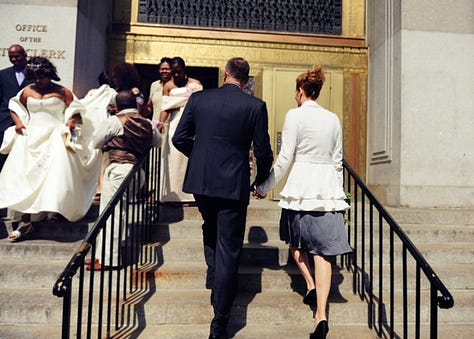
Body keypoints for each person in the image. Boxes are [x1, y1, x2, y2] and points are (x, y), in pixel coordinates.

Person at [172, 57, 274, 339]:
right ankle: (220, 321)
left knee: (210, 226)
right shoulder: (255, 106)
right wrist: (261, 179)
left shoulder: (199, 99)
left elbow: (179, 138)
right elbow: (263, 151)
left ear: (226, 74)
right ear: (246, 78)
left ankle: (215, 273)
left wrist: (202, 157)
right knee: (229, 248)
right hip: (232, 183)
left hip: (202, 182)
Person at [253, 66, 352, 339]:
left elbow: (285, 159)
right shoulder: (332, 119)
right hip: (326, 191)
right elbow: (337, 160)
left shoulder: (294, 115)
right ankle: (321, 313)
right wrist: (338, 193)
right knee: (323, 253)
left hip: (300, 189)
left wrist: (263, 187)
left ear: (300, 92)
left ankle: (309, 284)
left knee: (295, 243)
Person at [0, 56, 102, 241]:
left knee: (54, 176)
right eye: (34, 77)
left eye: (41, 77)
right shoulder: (26, 91)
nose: (38, 81)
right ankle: (26, 221)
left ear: (49, 75)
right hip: (31, 137)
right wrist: (18, 123)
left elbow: (78, 111)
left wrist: (71, 120)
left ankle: (54, 210)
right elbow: (14, 106)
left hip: (55, 136)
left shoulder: (63, 91)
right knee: (26, 178)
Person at [88, 90, 162, 270]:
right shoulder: (147, 123)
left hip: (119, 169)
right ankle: (101, 255)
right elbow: (157, 142)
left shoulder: (115, 121)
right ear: (136, 105)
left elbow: (95, 142)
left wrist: (109, 143)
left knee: (110, 213)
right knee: (118, 212)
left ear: (117, 106)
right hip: (137, 171)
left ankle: (109, 259)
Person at [160, 56, 203, 204]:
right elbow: (165, 107)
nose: (176, 75)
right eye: (174, 72)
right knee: (173, 161)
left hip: (192, 124)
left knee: (188, 159)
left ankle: (189, 195)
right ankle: (172, 196)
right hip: (174, 124)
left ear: (184, 70)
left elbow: (199, 104)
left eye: (179, 72)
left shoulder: (195, 84)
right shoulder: (168, 86)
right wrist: (159, 123)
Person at [0, 44, 33, 172]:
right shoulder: (3, 74)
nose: (14, 59)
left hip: (26, 119)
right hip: (4, 121)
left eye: (17, 57)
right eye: (11, 57)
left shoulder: (34, 74)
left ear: (24, 55)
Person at [145, 57, 172, 122]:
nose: (164, 71)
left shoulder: (176, 86)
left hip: (171, 126)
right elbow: (149, 107)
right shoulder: (154, 85)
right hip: (156, 126)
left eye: (167, 69)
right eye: (162, 69)